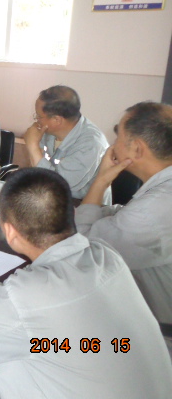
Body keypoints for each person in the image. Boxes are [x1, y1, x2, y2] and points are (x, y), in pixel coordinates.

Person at [0, 168, 172, 399]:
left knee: (10, 370)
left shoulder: (26, 294)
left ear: (9, 232)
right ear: (72, 213)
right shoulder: (106, 254)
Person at [75, 101, 172, 327]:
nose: (113, 144)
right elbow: (125, 214)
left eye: (118, 136)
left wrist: (101, 181)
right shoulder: (161, 194)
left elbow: (84, 252)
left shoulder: (154, 208)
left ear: (137, 148)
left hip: (155, 330)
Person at [24, 85, 110, 204]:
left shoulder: (91, 143)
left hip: (82, 206)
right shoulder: (48, 131)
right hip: (51, 198)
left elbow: (60, 184)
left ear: (57, 120)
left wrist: (32, 146)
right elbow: (35, 169)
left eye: (39, 116)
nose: (36, 120)